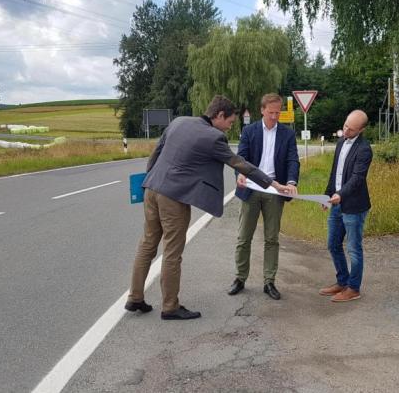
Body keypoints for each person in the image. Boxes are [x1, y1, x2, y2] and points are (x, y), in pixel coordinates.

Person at [125, 95, 290, 320]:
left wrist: (149, 180)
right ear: (219, 115)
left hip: (152, 189)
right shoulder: (214, 137)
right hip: (173, 197)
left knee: (147, 245)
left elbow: (156, 152)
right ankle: (170, 306)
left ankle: (135, 297)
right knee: (172, 251)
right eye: (230, 122)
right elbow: (241, 164)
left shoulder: (179, 121)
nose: (229, 127)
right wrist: (272, 183)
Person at [229, 93, 300, 300]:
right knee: (244, 238)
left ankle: (269, 281)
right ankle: (240, 278)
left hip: (275, 192)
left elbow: (292, 160)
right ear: (262, 110)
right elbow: (240, 158)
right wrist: (240, 173)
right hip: (251, 189)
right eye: (271, 113)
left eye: (278, 113)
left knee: (272, 239)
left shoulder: (287, 134)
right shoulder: (249, 131)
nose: (275, 117)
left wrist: (291, 182)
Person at [318, 110, 373, 302]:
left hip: (354, 206)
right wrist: (327, 196)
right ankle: (342, 281)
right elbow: (336, 173)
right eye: (345, 125)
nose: (346, 129)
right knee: (333, 244)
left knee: (353, 248)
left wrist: (340, 195)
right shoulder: (341, 142)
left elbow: (358, 178)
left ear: (361, 130)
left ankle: (353, 288)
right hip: (337, 204)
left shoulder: (364, 149)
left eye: (351, 128)